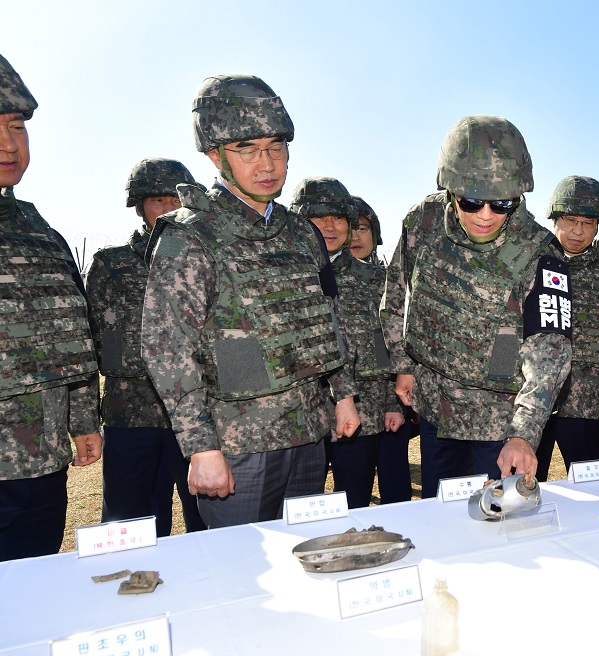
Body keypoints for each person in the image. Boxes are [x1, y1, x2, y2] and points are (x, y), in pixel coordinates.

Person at [141, 74, 360, 529]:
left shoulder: (302, 232)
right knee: (239, 575)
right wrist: (201, 446)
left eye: (276, 147)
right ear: (214, 155)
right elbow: (167, 348)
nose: (268, 163)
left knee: (306, 555)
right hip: (237, 447)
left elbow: (329, 318)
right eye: (247, 150)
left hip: (307, 436)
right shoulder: (188, 236)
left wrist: (343, 397)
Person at [382, 115, 572, 496]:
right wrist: (402, 367)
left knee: (496, 522)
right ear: (451, 189)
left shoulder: (540, 252)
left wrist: (522, 434)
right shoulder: (424, 221)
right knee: (440, 510)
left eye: (502, 204)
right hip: (437, 410)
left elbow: (550, 354)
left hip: (499, 423)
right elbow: (396, 291)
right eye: (471, 202)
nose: (486, 215)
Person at [0, 53, 101, 560]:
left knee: (30, 591)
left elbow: (72, 336)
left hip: (39, 461)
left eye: (16, 125)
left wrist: (83, 421)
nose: (8, 143)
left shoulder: (42, 235)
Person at [86, 158, 205, 535]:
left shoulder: (204, 261)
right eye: (158, 200)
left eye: (177, 199)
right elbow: (100, 344)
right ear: (139, 207)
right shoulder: (112, 264)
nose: (170, 209)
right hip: (131, 414)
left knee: (207, 518)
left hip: (196, 415)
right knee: (129, 523)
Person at [290, 178, 404, 509]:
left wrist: (393, 406)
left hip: (359, 418)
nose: (329, 226)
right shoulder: (277, 275)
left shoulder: (373, 281)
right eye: (318, 217)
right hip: (296, 422)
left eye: (338, 218)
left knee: (353, 504)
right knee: (297, 511)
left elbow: (387, 347)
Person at [534, 176, 599, 479]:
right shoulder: (531, 264)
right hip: (531, 402)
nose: (578, 231)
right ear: (555, 219)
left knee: (595, 490)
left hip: (588, 405)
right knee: (521, 490)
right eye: (570, 220)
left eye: (588, 223)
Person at [349, 194, 417, 503]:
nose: (354, 236)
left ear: (375, 234)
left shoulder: (392, 283)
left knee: (396, 490)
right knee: (352, 496)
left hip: (390, 407)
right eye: (348, 227)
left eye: (362, 228)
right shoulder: (322, 282)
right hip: (350, 412)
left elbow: (402, 348)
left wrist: (395, 404)